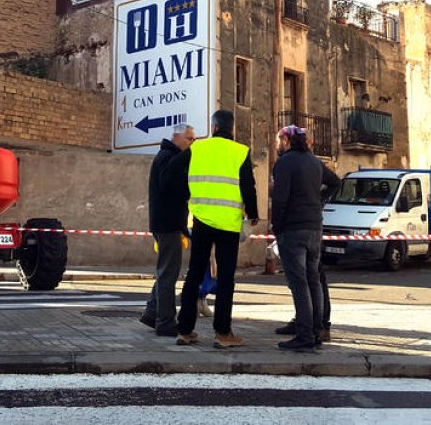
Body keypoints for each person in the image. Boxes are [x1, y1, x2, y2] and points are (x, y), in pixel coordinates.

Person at [164, 110, 259, 349]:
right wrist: (254, 215)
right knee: (226, 279)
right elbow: (249, 186)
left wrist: (186, 197)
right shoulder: (240, 151)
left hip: (202, 221)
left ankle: (184, 330)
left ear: (214, 128)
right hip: (228, 224)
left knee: (194, 273)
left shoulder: (197, 149)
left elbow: (172, 171)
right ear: (231, 129)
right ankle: (223, 333)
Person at [270, 125, 340, 351]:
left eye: (279, 140)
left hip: (293, 229)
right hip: (314, 227)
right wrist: (318, 201)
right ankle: (317, 330)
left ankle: (304, 334)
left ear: (287, 141)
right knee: (313, 280)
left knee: (299, 282)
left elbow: (280, 199)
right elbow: (335, 182)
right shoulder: (313, 161)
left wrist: (276, 226)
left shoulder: (284, 163)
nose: (277, 144)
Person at [140, 123, 194, 336]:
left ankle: (152, 313)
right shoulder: (166, 157)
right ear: (177, 137)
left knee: (166, 271)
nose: (192, 143)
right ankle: (165, 322)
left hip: (168, 224)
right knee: (168, 274)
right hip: (167, 224)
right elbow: (169, 187)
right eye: (189, 138)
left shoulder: (167, 157)